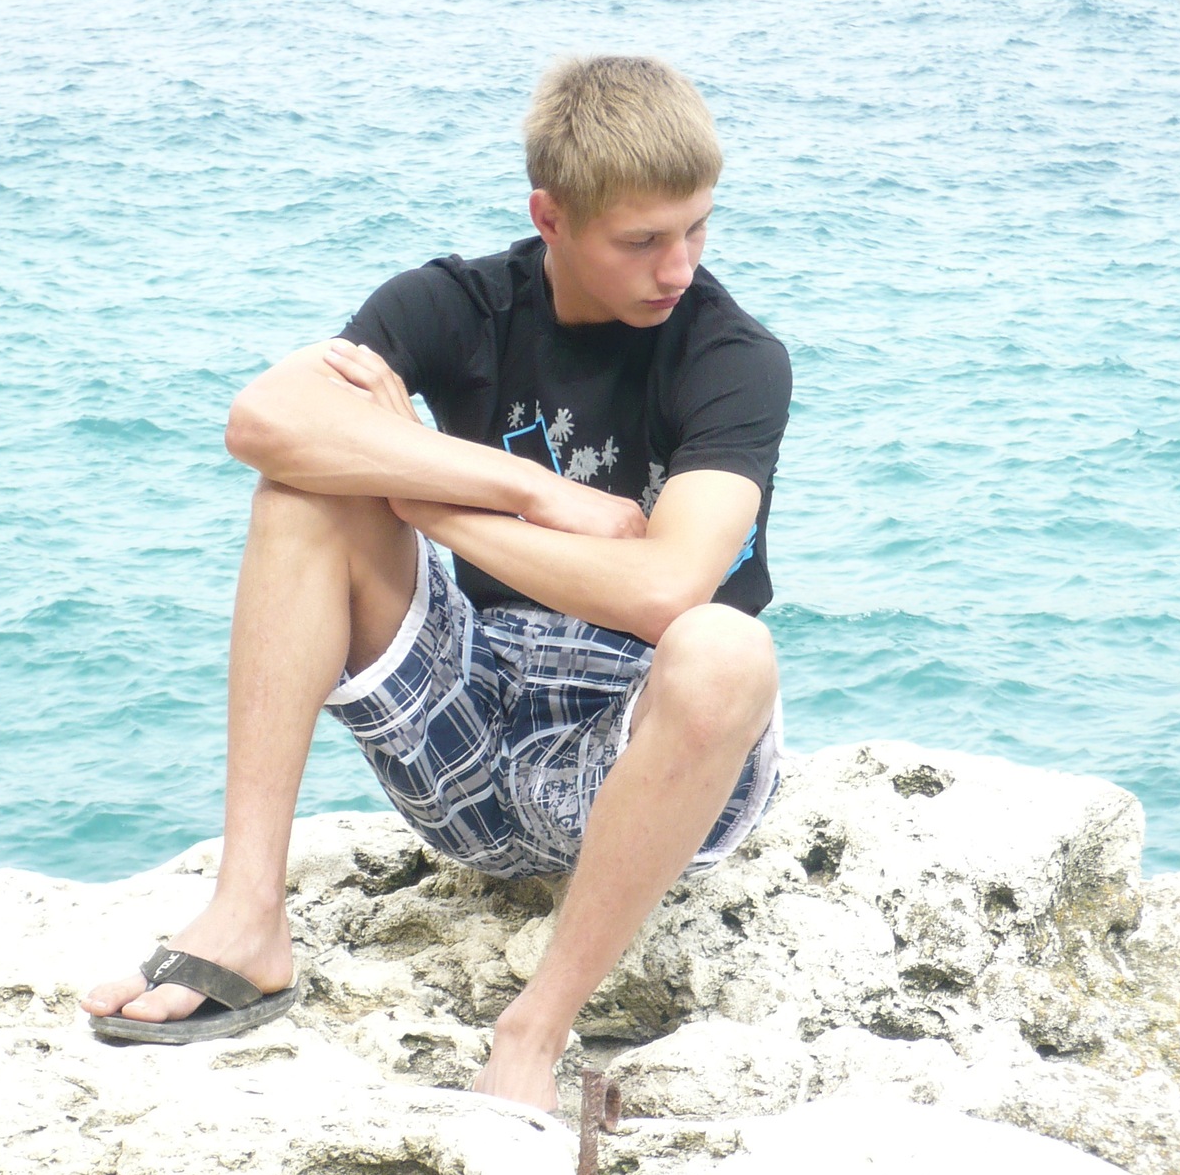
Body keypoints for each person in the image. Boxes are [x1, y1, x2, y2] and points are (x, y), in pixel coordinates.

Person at [81, 55, 791, 1115]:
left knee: (729, 647)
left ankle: (535, 1027)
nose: (678, 267)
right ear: (549, 217)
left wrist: (422, 496)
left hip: (649, 750)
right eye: (641, 240)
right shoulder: (461, 305)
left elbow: (665, 590)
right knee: (299, 495)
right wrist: (536, 492)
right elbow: (262, 421)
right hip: (473, 724)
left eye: (697, 228)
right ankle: (247, 913)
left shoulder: (732, 357)